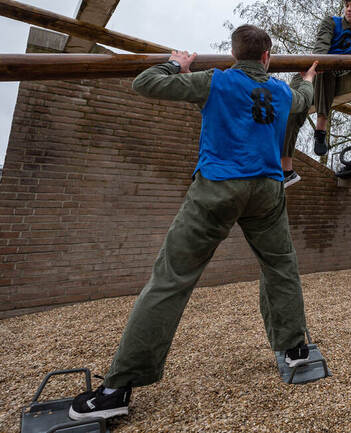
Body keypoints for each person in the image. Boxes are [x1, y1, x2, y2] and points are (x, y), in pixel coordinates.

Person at [68, 25, 318, 422]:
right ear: (268, 58)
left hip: (217, 190)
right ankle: (295, 349)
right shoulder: (283, 92)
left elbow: (146, 83)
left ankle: (118, 388)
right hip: (267, 191)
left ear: (234, 55)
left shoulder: (214, 81)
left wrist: (175, 63)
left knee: (172, 278)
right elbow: (305, 98)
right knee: (280, 266)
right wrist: (307, 78)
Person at [282, 0, 351, 187]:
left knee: (327, 69)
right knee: (291, 111)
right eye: (346, 5)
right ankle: (287, 169)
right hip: (310, 75)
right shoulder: (331, 22)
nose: (348, 9)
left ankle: (321, 128)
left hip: (334, 79)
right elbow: (320, 51)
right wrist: (316, 70)